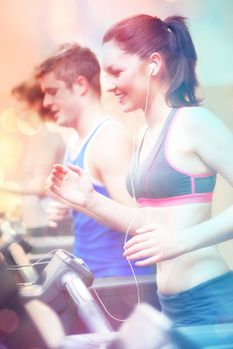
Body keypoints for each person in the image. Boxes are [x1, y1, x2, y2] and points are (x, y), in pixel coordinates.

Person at [47, 14, 233, 328]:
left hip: (208, 298)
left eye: (116, 72)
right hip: (170, 302)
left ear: (153, 64)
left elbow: (172, 238)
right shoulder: (146, 133)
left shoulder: (193, 123)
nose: (109, 86)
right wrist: (89, 200)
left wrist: (180, 241)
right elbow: (146, 224)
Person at [35, 43, 154, 278]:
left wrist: (81, 203)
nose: (46, 103)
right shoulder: (75, 140)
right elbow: (99, 202)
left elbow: (139, 222)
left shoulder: (109, 140)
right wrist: (70, 206)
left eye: (53, 91)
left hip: (119, 285)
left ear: (80, 85)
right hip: (92, 279)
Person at [0, 80, 67, 237]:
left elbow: (39, 187)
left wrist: (3, 186)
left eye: (19, 101)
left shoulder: (49, 135)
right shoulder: (36, 136)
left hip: (47, 224)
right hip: (36, 221)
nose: (14, 108)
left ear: (36, 103)